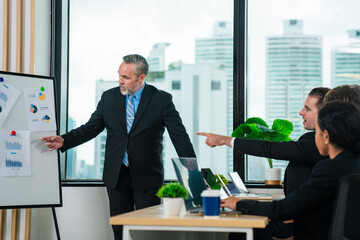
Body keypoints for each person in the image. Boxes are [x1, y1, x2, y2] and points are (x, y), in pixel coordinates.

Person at [42, 54, 196, 240]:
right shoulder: (109, 97)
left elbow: (178, 135)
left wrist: (192, 172)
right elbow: (91, 128)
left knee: (146, 233)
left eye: (126, 77)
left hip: (147, 177)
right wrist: (64, 140)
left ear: (141, 78)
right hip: (116, 176)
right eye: (119, 75)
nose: (120, 81)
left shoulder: (161, 100)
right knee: (119, 231)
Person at [197, 87, 330, 240]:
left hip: (305, 224)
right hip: (301, 216)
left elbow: (269, 148)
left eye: (307, 109)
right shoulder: (321, 145)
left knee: (242, 232)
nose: (301, 112)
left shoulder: (315, 142)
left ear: (324, 115)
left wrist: (225, 140)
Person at [221, 101, 360, 239]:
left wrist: (238, 203)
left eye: (316, 131)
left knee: (242, 232)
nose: (314, 136)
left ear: (326, 136)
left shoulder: (329, 169)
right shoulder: (353, 164)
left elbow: (282, 209)